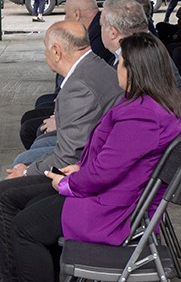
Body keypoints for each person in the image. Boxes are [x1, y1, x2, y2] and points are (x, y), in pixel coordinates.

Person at [0, 33, 181, 282]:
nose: (116, 68)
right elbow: (114, 160)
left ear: (136, 71)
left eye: (121, 63)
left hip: (112, 209)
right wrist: (78, 168)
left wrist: (67, 183)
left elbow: (105, 173)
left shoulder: (143, 115)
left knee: (26, 227)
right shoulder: (156, 105)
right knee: (21, 204)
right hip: (116, 195)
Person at [7, 21, 124, 178]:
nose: (45, 54)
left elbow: (68, 158)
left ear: (56, 52)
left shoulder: (78, 87)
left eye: (46, 48)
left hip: (90, 167)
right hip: (98, 154)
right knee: (35, 143)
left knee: (10, 180)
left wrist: (26, 171)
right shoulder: (94, 64)